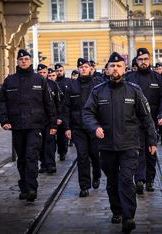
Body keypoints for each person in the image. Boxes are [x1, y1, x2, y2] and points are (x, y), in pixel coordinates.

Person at [83, 52, 157, 233]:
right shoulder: (98, 91)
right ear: (107, 69)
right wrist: (95, 127)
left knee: (126, 180)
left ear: (124, 69)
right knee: (113, 181)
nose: (115, 69)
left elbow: (146, 117)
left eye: (119, 66)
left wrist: (151, 140)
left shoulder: (134, 90)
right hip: (107, 145)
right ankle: (116, 210)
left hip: (130, 144)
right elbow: (87, 113)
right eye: (112, 66)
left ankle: (128, 216)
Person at [0, 50, 57, 202]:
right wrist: (4, 120)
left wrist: (53, 123)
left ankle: (31, 188)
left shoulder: (39, 80)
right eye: (21, 59)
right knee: (22, 158)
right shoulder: (10, 81)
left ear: (31, 61)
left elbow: (49, 103)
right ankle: (24, 186)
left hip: (35, 126)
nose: (24, 61)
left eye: (26, 59)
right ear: (17, 61)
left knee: (31, 156)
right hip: (17, 126)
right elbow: (2, 102)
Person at [126, 48, 162, 194]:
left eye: (145, 59)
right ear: (136, 61)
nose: (143, 62)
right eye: (140, 60)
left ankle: (150, 179)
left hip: (152, 121)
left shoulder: (157, 78)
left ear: (149, 60)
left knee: (151, 151)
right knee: (138, 151)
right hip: (134, 122)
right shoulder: (129, 78)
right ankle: (139, 179)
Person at [64, 58, 103, 197]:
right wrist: (67, 127)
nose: (83, 69)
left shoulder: (97, 85)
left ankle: (97, 174)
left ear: (90, 68)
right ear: (78, 69)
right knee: (82, 156)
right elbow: (66, 108)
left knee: (95, 155)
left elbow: (102, 107)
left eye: (86, 67)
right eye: (81, 67)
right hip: (77, 127)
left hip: (94, 127)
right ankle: (84, 186)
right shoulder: (72, 86)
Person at [37, 65, 64, 174]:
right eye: (40, 73)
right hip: (38, 119)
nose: (42, 75)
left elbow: (59, 102)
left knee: (50, 142)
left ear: (47, 73)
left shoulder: (53, 84)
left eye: (44, 73)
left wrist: (59, 117)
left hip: (50, 118)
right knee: (40, 144)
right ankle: (43, 164)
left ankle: (51, 164)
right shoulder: (34, 84)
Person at [55, 63, 70, 161]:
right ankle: (61, 152)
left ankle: (63, 151)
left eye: (60, 70)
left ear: (63, 71)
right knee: (58, 135)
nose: (59, 72)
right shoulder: (54, 82)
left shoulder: (68, 81)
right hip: (57, 112)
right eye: (57, 71)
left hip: (66, 111)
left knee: (64, 134)